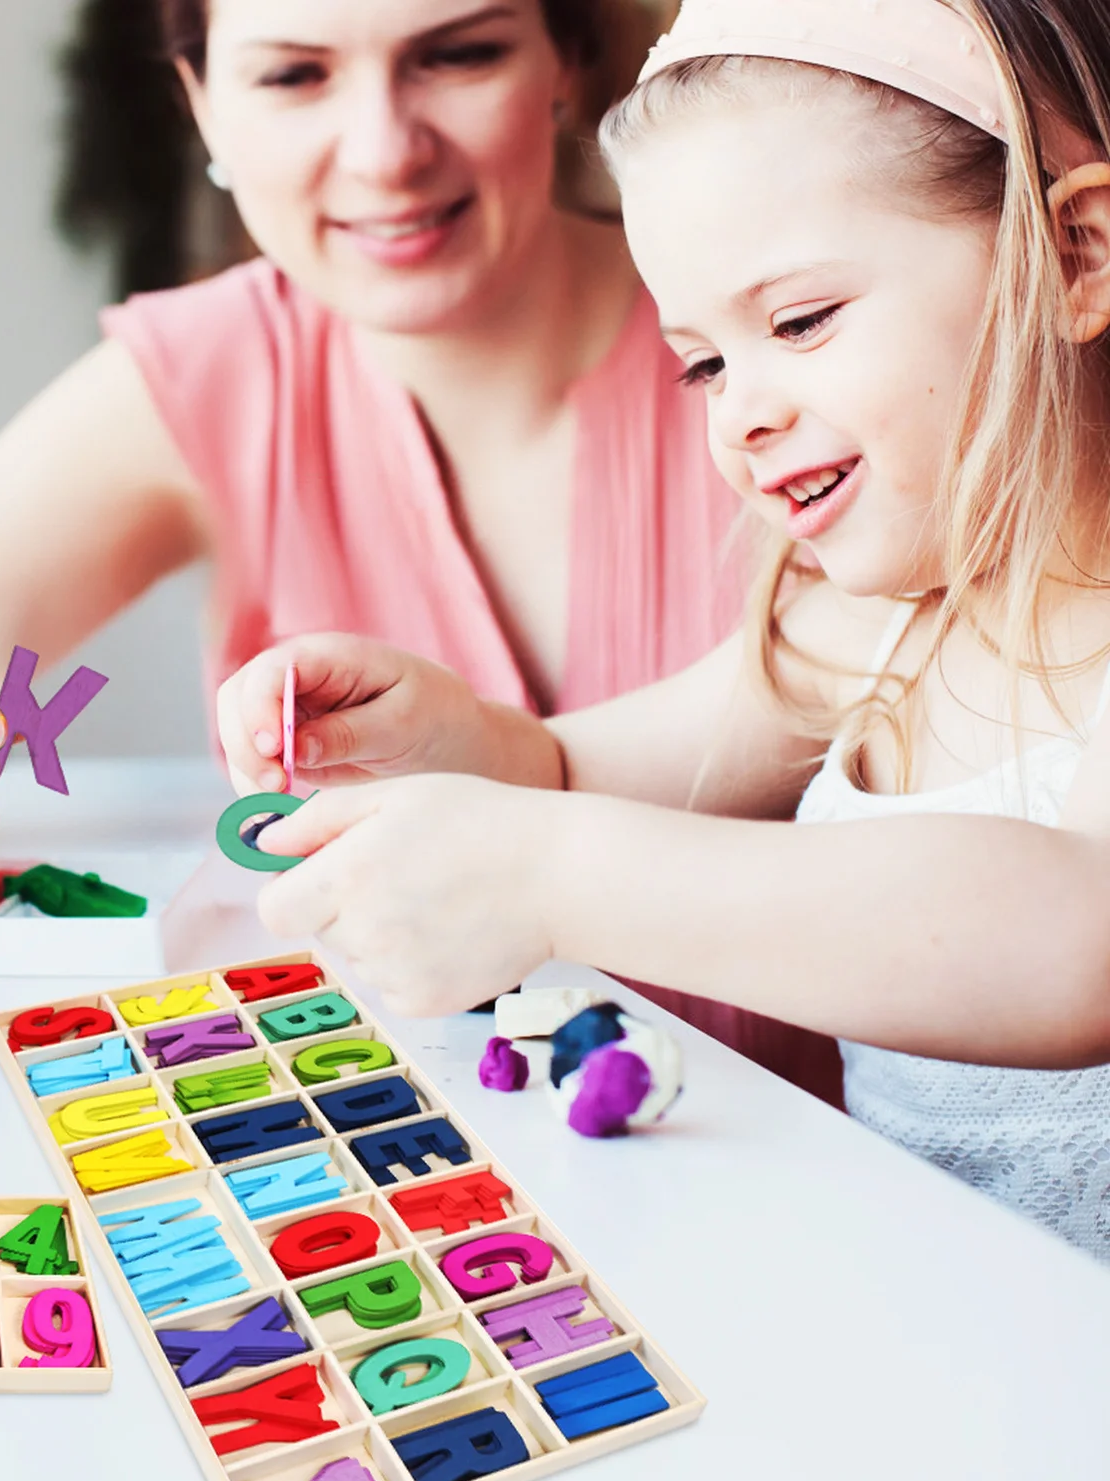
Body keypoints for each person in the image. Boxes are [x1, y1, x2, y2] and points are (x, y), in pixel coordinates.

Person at [0, 1, 835, 1092]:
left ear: (564, 60)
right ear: (201, 101)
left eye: (458, 55)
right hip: (407, 1191)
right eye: (295, 75)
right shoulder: (207, 376)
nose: (383, 151)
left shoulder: (795, 343)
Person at [217, 0, 1110, 1260]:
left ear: (1075, 254)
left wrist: (548, 875)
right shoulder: (874, 631)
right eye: (703, 364)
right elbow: (571, 769)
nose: (737, 416)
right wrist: (445, 737)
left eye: (797, 322)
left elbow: (1074, 938)